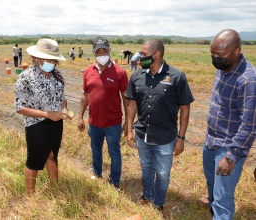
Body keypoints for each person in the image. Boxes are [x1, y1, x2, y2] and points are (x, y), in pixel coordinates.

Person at [125, 38, 194, 212]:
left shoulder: (177, 77)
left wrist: (181, 138)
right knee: (146, 168)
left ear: (156, 54)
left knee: (163, 174)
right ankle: (147, 196)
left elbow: (185, 109)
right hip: (142, 135)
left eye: (144, 54)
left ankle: (158, 203)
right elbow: (131, 105)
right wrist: (129, 131)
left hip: (165, 138)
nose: (140, 57)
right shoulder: (137, 75)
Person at [203, 29, 256, 219]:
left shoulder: (248, 79)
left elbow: (249, 126)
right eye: (213, 54)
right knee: (213, 186)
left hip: (228, 148)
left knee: (223, 198)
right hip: (211, 142)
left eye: (220, 55)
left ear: (236, 51)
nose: (216, 58)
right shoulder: (223, 69)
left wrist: (231, 157)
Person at [14, 38, 69, 194]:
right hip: (36, 125)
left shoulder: (57, 75)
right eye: (47, 59)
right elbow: (20, 108)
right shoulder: (26, 77)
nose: (51, 62)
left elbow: (62, 97)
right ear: (36, 58)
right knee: (34, 160)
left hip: (56, 123)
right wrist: (47, 114)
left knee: (52, 155)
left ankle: (55, 189)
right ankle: (31, 195)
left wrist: (63, 109)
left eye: (53, 60)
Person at [77, 36, 129, 188]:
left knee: (114, 152)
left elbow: (126, 99)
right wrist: (80, 117)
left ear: (110, 51)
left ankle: (114, 181)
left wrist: (127, 123)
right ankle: (96, 172)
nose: (101, 53)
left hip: (113, 123)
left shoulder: (119, 72)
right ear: (93, 53)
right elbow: (85, 96)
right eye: (98, 51)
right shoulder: (88, 71)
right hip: (94, 122)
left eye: (104, 50)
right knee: (96, 150)